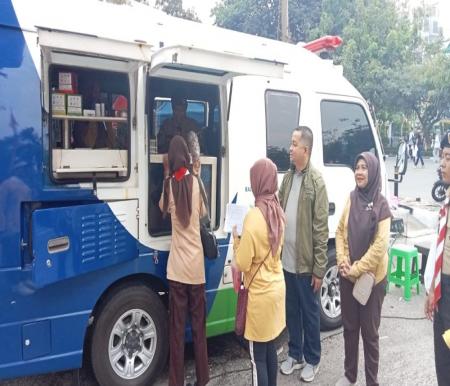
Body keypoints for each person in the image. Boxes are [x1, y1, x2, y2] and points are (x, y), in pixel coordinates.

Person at [335, 151, 391, 386]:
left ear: (373, 171)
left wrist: (356, 268)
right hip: (348, 276)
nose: (359, 172)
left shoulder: (382, 204)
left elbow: (380, 247)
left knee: (370, 334)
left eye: (364, 167)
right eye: (357, 167)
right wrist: (342, 260)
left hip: (371, 280)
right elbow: (339, 231)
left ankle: (372, 381)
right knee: (349, 329)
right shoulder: (351, 198)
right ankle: (349, 375)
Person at [278, 126, 329, 382]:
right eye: (291, 142)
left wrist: (320, 269)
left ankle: (313, 359)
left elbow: (321, 229)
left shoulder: (316, 182)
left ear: (305, 150)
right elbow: (278, 213)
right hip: (286, 261)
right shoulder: (288, 178)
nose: (290, 147)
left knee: (310, 313)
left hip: (307, 264)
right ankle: (295, 353)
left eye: (294, 143)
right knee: (291, 311)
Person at [159, 135, 209, 386]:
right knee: (199, 329)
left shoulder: (169, 185)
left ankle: (176, 382)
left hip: (176, 270)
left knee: (176, 331)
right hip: (196, 269)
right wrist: (197, 173)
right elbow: (204, 214)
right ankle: (203, 379)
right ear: (187, 157)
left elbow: (160, 209)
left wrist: (166, 173)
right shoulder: (196, 184)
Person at [232, 158, 286, 386]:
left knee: (257, 360)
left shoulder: (254, 216)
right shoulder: (278, 212)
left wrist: (236, 240)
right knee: (270, 349)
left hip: (260, 297)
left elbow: (243, 263)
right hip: (276, 289)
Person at [425, 132, 450, 386]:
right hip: (443, 291)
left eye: (448, 158)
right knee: (442, 361)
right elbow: (438, 249)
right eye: (442, 156)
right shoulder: (446, 201)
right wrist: (431, 289)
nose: (442, 164)